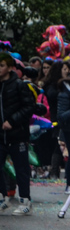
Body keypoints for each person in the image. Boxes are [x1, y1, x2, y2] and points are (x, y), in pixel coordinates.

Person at [0, 53, 36, 215]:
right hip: (1, 135)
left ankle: (25, 200)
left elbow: (29, 107)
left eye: (1, 65)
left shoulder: (19, 85)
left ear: (9, 67)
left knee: (21, 168)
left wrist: (12, 121)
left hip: (17, 134)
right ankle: (2, 197)